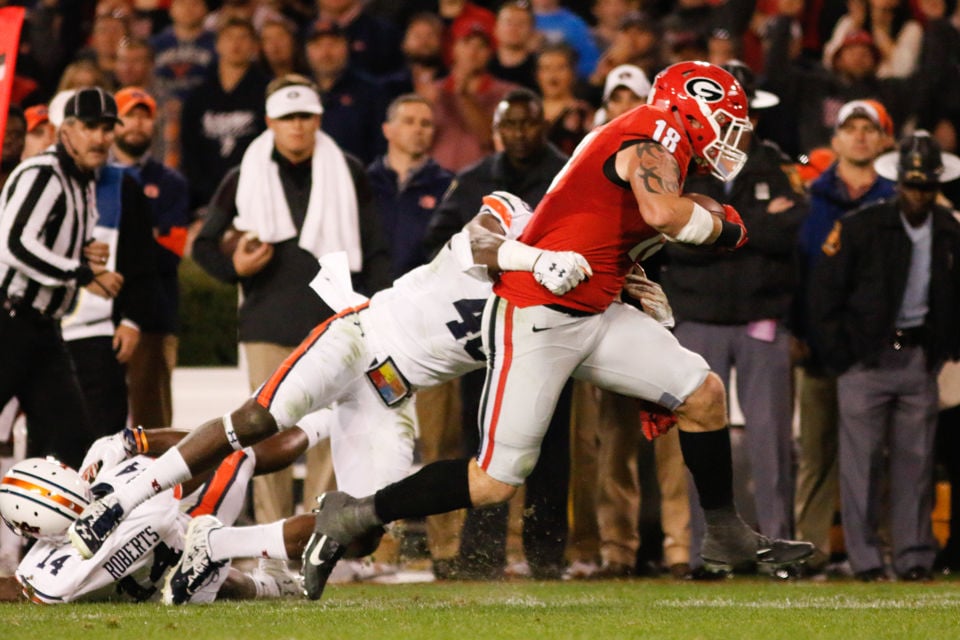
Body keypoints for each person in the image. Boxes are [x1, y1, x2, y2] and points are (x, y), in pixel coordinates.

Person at [299, 61, 814, 600]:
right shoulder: (650, 136)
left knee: (702, 394)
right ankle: (355, 513)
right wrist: (728, 225)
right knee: (494, 481)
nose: (733, 136)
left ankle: (726, 537)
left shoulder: (658, 141)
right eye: (727, 121)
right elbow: (664, 213)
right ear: (694, 107)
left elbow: (604, 225)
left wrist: (628, 276)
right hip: (537, 314)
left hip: (592, 310)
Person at [63, 188, 571, 572]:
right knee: (257, 420)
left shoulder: (571, 295)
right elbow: (483, 238)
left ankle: (218, 546)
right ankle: (120, 499)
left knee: (362, 526)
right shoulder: (513, 215)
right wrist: (539, 259)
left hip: (394, 388)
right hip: (362, 337)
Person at [189, 74, 389, 528]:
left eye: (304, 116)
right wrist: (234, 269)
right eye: (287, 117)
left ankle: (322, 534)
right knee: (262, 433)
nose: (297, 126)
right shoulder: (243, 174)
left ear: (318, 118)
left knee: (332, 434)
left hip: (335, 322)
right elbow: (204, 244)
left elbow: (374, 246)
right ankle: (271, 541)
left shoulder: (350, 170)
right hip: (266, 322)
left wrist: (374, 310)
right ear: (269, 122)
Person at [660, 60, 807, 572]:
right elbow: (671, 242)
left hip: (761, 318)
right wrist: (754, 229)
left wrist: (715, 232)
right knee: (702, 441)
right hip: (698, 317)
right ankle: (710, 554)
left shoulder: (777, 164)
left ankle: (778, 551)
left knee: (772, 443)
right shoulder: (684, 165)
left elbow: (792, 234)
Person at [425, 89, 573, 581]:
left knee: (550, 447)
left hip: (553, 329)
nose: (520, 135)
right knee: (483, 443)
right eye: (510, 126)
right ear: (497, 129)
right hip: (486, 335)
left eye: (529, 124)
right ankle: (480, 555)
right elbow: (437, 242)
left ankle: (547, 557)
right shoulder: (473, 180)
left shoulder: (567, 179)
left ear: (543, 126)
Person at [808, 131, 960, 581]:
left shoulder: (951, 230)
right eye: (912, 186)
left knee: (916, 465)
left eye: (926, 187)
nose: (918, 194)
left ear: (936, 186)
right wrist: (843, 356)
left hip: (918, 358)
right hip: (865, 360)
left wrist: (944, 348)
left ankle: (914, 557)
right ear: (897, 183)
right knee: (862, 465)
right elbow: (824, 295)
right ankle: (867, 560)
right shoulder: (861, 226)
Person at [0, 427, 313, 604]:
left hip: (157, 585)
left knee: (215, 580)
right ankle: (320, 424)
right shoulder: (121, 491)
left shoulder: (45, 572)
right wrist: (134, 440)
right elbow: (204, 453)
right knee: (236, 456)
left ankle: (272, 586)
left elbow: (18, 590)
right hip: (187, 547)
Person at [793, 99, 896, 573]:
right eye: (849, 128)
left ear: (883, 140)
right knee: (816, 455)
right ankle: (811, 551)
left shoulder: (898, 198)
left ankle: (880, 551)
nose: (858, 135)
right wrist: (796, 330)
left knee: (878, 456)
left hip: (877, 352)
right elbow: (795, 271)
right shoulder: (808, 198)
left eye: (867, 128)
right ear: (833, 140)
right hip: (817, 347)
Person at [0, 87, 125, 470]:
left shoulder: (85, 180)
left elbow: (53, 239)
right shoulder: (43, 173)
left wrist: (84, 252)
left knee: (70, 443)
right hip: (8, 321)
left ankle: (44, 531)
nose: (101, 137)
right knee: (66, 440)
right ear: (65, 130)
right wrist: (79, 271)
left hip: (44, 330)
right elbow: (14, 243)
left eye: (107, 128)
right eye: (90, 127)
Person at [110, 87, 192, 429]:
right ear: (114, 122)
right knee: (98, 414)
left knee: (153, 419)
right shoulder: (98, 176)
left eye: (145, 116)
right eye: (130, 114)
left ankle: (159, 483)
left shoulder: (170, 182)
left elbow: (170, 252)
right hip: (101, 313)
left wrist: (116, 249)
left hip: (155, 314)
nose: (138, 124)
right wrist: (146, 238)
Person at [180, 17, 268, 210]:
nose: (236, 44)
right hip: (204, 199)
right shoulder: (199, 95)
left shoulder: (266, 92)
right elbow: (189, 148)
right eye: (229, 38)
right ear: (217, 44)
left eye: (243, 38)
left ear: (254, 46)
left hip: (256, 197)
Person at [367, 94, 453, 282]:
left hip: (423, 297)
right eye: (409, 122)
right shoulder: (363, 183)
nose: (418, 129)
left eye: (425, 124)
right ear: (387, 130)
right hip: (367, 297)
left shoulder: (449, 187)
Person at [304, 19, 387, 166]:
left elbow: (381, 147)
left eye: (333, 44)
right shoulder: (300, 92)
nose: (326, 53)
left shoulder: (370, 91)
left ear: (347, 47)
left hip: (358, 180)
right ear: (307, 50)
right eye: (318, 45)